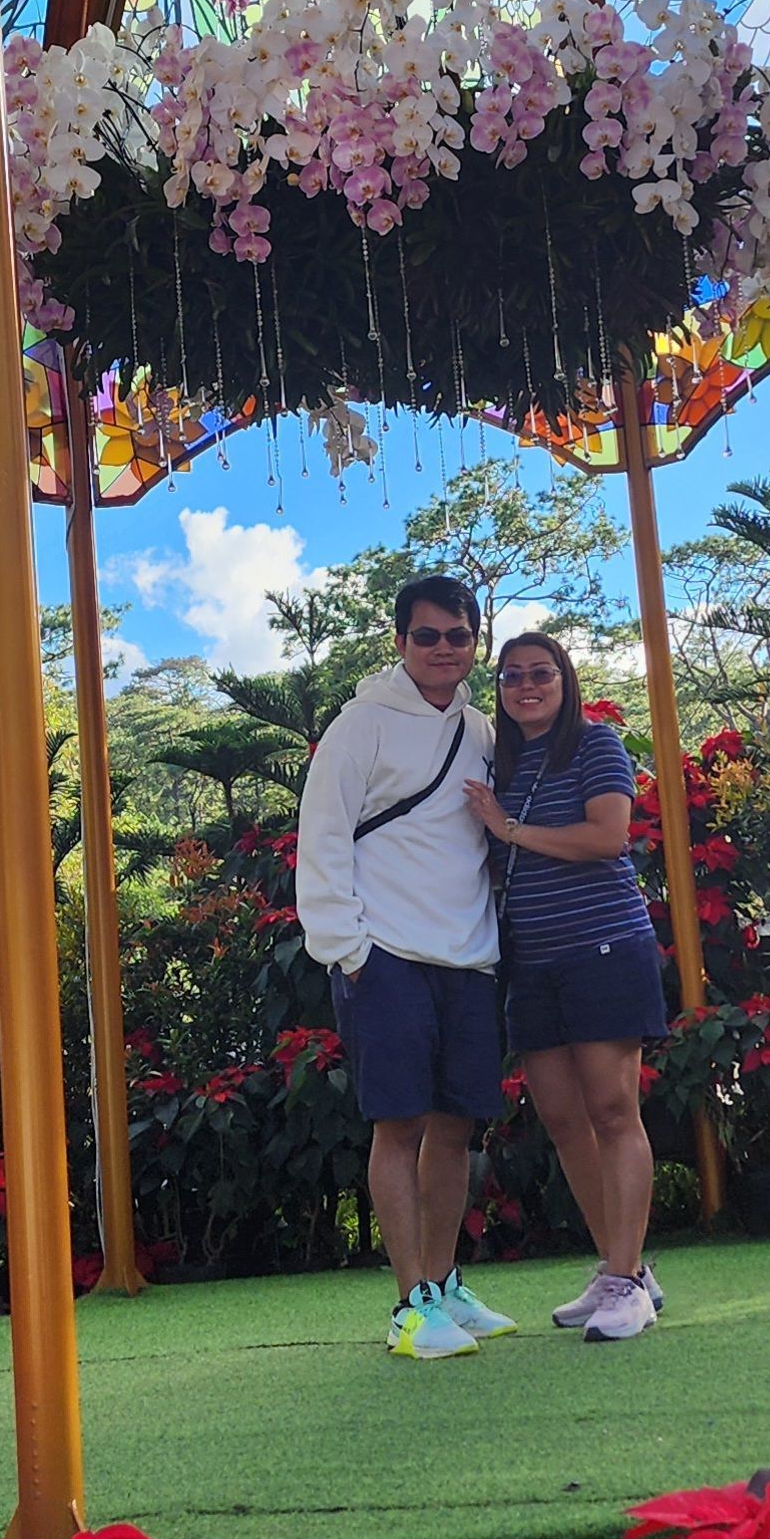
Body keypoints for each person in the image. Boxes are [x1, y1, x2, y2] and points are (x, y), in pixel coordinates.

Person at [295, 573, 518, 1362]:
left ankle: (445, 1284)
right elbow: (322, 835)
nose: (443, 650)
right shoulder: (360, 725)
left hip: (469, 956)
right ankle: (410, 1304)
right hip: (385, 955)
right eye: (427, 636)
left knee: (456, 1127)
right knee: (399, 1126)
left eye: (459, 636)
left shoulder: (481, 730)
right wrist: (348, 950)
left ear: (475, 642)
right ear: (400, 641)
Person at [462, 632, 666, 1342]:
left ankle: (627, 1282)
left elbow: (607, 837)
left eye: (541, 674)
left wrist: (510, 828)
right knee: (561, 1117)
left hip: (603, 949)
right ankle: (620, 1269)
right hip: (531, 960)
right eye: (512, 676)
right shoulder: (504, 760)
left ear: (564, 679)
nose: (526, 686)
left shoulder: (595, 743)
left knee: (612, 1111)